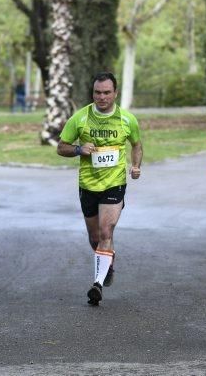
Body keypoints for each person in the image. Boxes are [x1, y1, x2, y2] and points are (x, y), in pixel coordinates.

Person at [57, 72, 143, 306]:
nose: (102, 97)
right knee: (95, 237)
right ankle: (108, 263)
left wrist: (136, 165)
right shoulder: (81, 118)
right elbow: (61, 147)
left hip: (114, 183)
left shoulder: (127, 119)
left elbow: (136, 145)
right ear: (92, 93)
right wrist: (77, 150)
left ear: (115, 93)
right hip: (88, 184)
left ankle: (97, 283)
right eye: (97, 92)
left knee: (106, 232)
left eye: (107, 92)